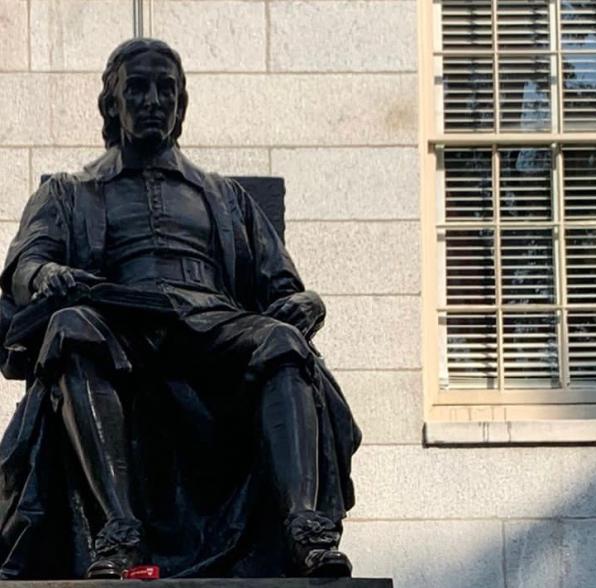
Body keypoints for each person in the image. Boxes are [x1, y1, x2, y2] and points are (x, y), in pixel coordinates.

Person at [0, 38, 360, 580]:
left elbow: (282, 285)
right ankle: (118, 530)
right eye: (137, 88)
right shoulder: (70, 193)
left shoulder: (224, 195)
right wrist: (46, 274)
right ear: (112, 104)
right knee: (71, 327)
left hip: (212, 325)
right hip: (119, 324)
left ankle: (304, 528)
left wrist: (308, 302)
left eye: (165, 88)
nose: (152, 100)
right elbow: (26, 265)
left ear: (181, 105)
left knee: (282, 342)